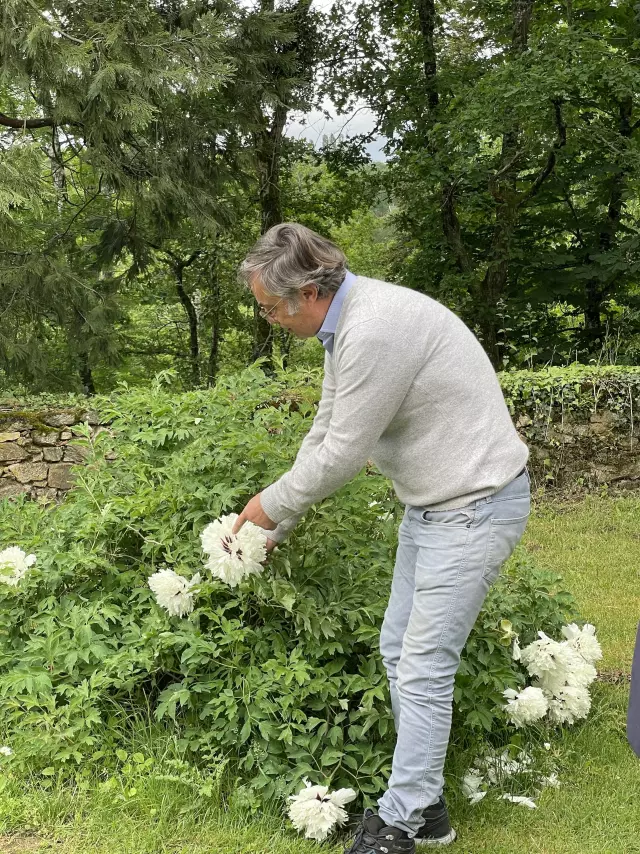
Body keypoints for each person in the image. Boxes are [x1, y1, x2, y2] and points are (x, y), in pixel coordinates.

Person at [233, 223, 531, 852]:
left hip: (475, 505)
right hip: (434, 508)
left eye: (268, 308)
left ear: (308, 292)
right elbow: (325, 428)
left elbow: (343, 454)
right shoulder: (347, 328)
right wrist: (275, 520)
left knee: (422, 667)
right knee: (399, 652)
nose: (268, 321)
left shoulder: (375, 328)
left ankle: (400, 822)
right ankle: (428, 808)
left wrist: (265, 506)